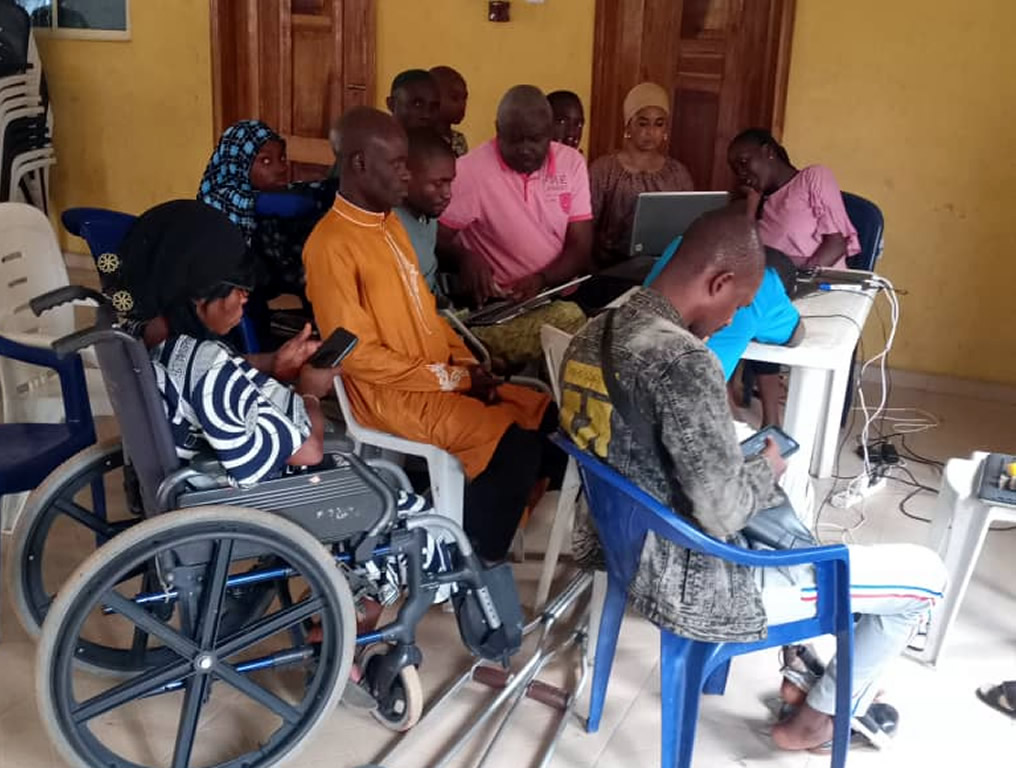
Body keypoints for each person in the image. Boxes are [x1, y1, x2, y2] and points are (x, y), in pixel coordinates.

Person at [560, 208, 947, 753]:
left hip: (621, 545)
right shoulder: (682, 359)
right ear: (718, 281)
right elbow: (722, 513)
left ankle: (801, 662)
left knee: (788, 501)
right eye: (738, 305)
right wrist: (765, 467)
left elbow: (641, 450)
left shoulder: (594, 330)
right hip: (697, 579)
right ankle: (815, 720)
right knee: (925, 579)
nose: (730, 321)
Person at [303, 107, 562, 562]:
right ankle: (464, 566)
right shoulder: (330, 244)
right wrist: (454, 379)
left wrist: (468, 366)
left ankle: (479, 525)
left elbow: (427, 315)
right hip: (391, 397)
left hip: (434, 380)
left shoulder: (389, 225)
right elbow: (356, 354)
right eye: (397, 164)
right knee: (514, 450)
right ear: (360, 163)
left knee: (550, 421)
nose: (407, 174)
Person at [115, 200, 335, 486]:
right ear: (198, 293)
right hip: (255, 499)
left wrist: (272, 363)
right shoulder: (208, 366)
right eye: (238, 288)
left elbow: (204, 374)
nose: (245, 298)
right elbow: (309, 451)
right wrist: (311, 392)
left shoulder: (142, 336)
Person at [437, 84, 592, 364]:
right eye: (514, 140)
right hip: (501, 305)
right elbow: (436, 237)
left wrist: (543, 280)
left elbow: (580, 246)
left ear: (550, 132)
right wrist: (464, 257)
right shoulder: (470, 171)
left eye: (535, 140)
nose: (525, 150)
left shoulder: (572, 164)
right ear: (498, 129)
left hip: (559, 292)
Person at [588, 82, 694, 268]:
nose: (650, 132)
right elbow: (586, 226)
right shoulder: (604, 170)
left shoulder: (678, 174)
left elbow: (687, 228)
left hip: (662, 268)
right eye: (643, 123)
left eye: (659, 124)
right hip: (609, 268)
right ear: (628, 125)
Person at [728, 128, 860, 269]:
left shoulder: (813, 177)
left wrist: (800, 277)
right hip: (775, 279)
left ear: (768, 152)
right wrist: (751, 205)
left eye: (744, 162)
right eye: (735, 169)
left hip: (817, 279)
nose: (740, 173)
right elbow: (744, 254)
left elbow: (836, 244)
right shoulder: (760, 201)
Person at [394, 128, 456, 298]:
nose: (447, 194)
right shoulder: (392, 229)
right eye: (438, 184)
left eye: (450, 182)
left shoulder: (427, 213)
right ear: (405, 177)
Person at [430, 65, 469, 157]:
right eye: (454, 98)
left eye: (464, 98)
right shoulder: (421, 141)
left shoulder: (459, 140)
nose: (462, 105)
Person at [386, 69, 441, 133]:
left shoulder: (442, 138)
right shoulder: (377, 137)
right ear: (391, 104)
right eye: (417, 104)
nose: (427, 115)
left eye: (434, 106)